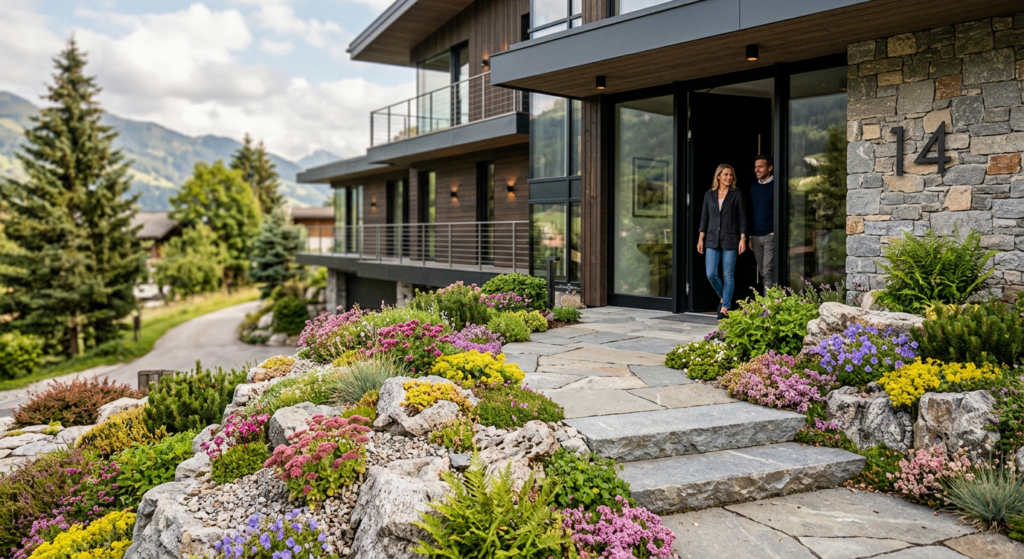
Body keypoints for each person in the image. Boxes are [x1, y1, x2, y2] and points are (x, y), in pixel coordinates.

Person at [697, 164, 747, 319]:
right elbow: (704, 218)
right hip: (711, 239)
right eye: (725, 174)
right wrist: (700, 238)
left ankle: (725, 307)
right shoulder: (709, 195)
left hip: (731, 238)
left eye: (731, 175)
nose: (728, 177)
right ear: (718, 176)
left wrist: (743, 238)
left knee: (728, 274)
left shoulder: (737, 194)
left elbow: (742, 218)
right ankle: (723, 297)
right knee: (711, 273)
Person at [748, 154, 775, 291]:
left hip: (770, 235)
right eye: (755, 167)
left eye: (760, 167)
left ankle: (767, 307)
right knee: (763, 272)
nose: (757, 170)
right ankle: (771, 302)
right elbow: (750, 212)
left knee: (768, 270)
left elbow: (789, 210)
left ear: (769, 168)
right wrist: (750, 236)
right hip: (756, 235)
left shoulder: (777, 187)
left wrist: (776, 231)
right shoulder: (753, 188)